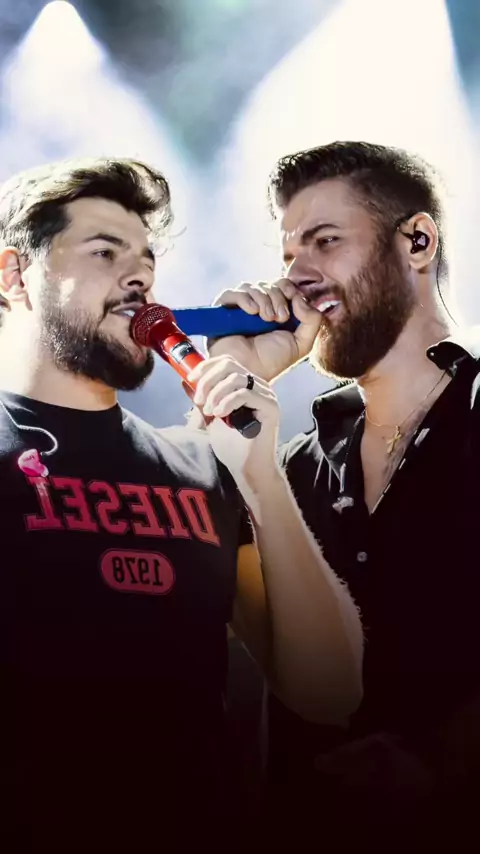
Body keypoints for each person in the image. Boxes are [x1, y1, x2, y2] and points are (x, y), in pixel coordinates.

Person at [0, 157, 363, 851]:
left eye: (146, 261)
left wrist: (258, 472)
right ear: (15, 276)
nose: (139, 277)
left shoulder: (199, 464)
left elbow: (329, 691)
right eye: (105, 252)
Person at [209, 141, 480, 845]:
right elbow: (267, 664)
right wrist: (233, 388)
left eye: (324, 241)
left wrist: (441, 765)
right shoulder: (290, 462)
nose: (296, 277)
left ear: (417, 242)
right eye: (289, 253)